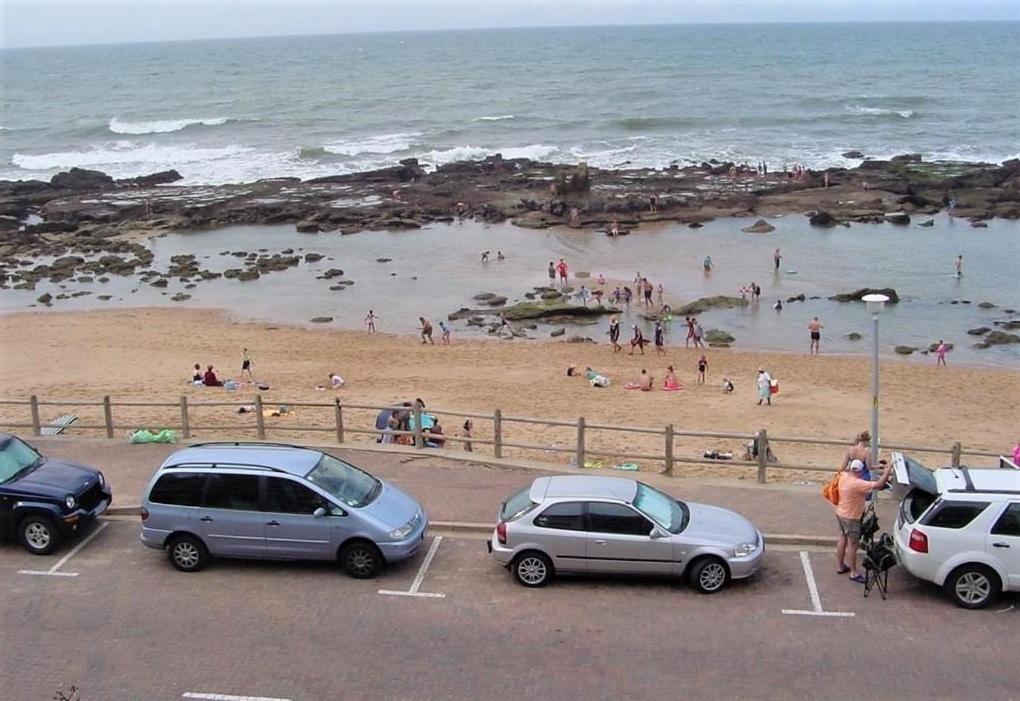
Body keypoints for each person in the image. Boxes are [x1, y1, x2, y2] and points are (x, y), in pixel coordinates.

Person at [835, 458, 894, 583]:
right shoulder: (857, 483)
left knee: (842, 537)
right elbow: (878, 485)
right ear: (859, 471)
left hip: (841, 513)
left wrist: (879, 467)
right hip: (852, 517)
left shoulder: (843, 476)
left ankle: (840, 565)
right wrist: (887, 471)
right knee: (853, 544)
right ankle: (853, 572)